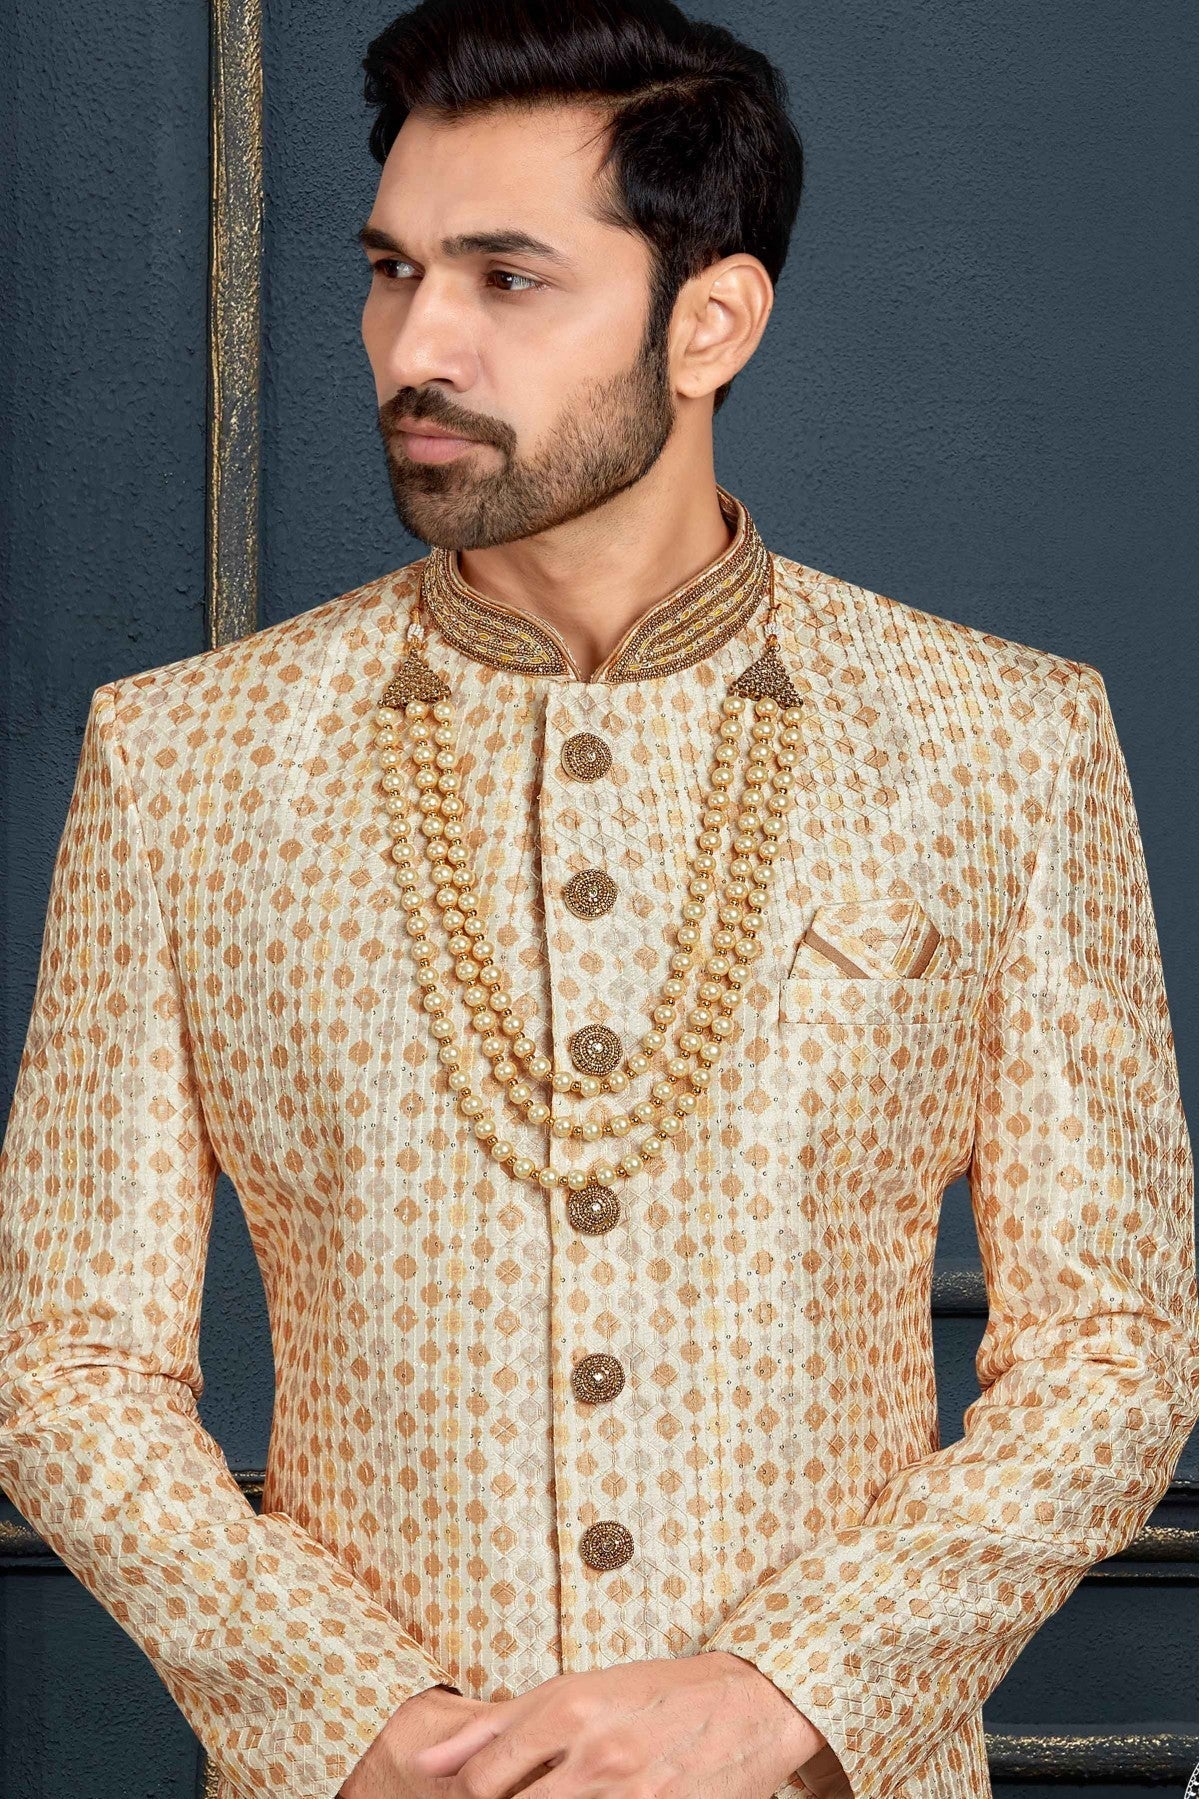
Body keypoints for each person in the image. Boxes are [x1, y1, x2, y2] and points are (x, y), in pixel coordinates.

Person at [0, 2, 1195, 1797]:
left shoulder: (1002, 744)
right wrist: (350, 1716)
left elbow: (1116, 1345)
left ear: (710, 320)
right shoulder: (188, 762)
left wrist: (788, 1690)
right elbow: (65, 1358)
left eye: (506, 279)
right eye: (392, 271)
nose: (417, 344)